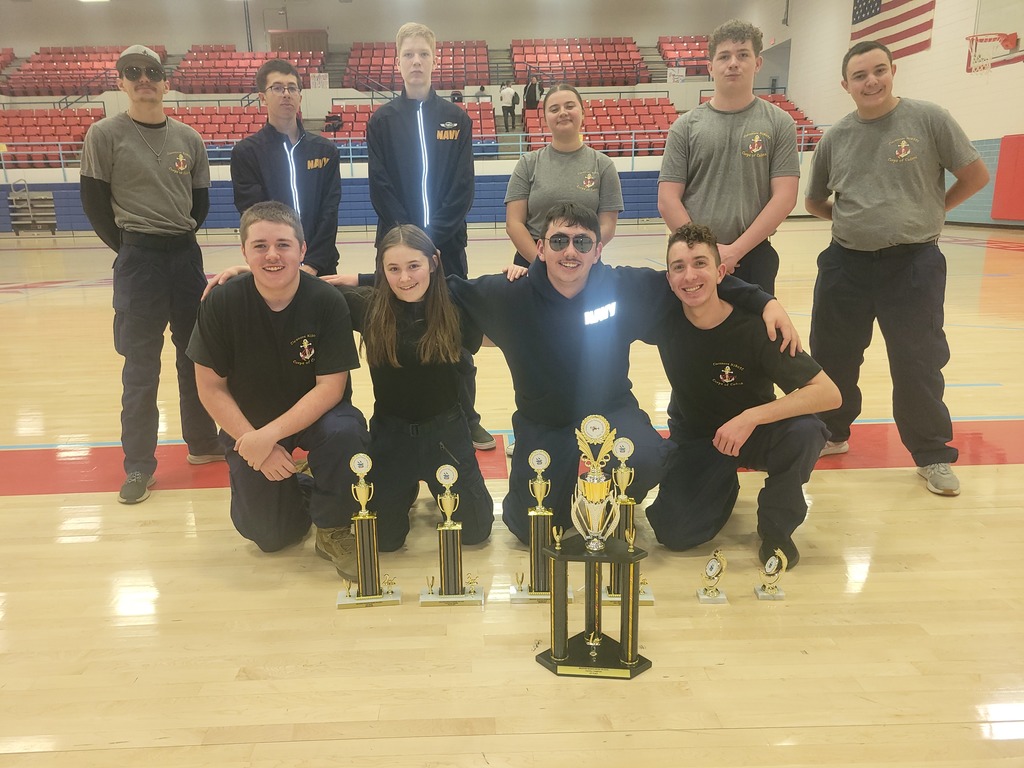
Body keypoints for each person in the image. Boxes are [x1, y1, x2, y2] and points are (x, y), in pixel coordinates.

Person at [446, 202, 797, 545]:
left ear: (598, 251)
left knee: (645, 460)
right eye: (559, 241)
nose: (570, 251)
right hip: (544, 420)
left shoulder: (622, 287)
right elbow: (447, 294)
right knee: (530, 528)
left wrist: (763, 300)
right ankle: (563, 496)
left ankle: (606, 501)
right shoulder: (510, 294)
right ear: (540, 248)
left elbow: (689, 282)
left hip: (611, 411)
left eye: (582, 242)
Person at [805, 40, 989, 497]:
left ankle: (931, 454)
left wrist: (932, 212)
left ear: (893, 71)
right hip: (845, 263)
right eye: (860, 76)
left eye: (879, 71)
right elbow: (814, 201)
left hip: (912, 264)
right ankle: (832, 433)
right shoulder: (836, 136)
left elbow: (976, 176)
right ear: (845, 85)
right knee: (833, 356)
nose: (871, 81)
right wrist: (853, 223)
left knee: (917, 361)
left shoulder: (929, 118)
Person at [187, 202, 369, 578]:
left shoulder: (325, 300)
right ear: (244, 251)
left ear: (302, 250)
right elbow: (210, 388)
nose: (272, 255)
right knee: (271, 537)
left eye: (283, 245)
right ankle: (303, 484)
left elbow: (330, 389)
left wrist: (267, 439)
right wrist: (254, 441)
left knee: (346, 432)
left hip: (317, 417)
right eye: (260, 246)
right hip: (250, 421)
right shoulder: (221, 302)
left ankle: (333, 527)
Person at [645, 224, 839, 567]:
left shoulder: (759, 327)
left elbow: (828, 393)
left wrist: (750, 418)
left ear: (721, 273)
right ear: (669, 278)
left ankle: (777, 529)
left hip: (754, 433)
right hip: (697, 437)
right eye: (679, 267)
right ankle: (722, 483)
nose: (690, 276)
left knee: (805, 431)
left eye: (700, 263)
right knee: (674, 534)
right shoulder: (663, 318)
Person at [80, 44, 222, 505]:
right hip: (138, 260)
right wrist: (132, 247)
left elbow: (200, 204)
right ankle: (139, 464)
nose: (144, 78)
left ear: (165, 82)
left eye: (152, 72)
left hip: (185, 258)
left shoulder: (189, 138)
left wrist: (175, 238)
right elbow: (95, 204)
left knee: (195, 356)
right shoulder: (104, 134)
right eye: (133, 71)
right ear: (121, 81)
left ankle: (202, 442)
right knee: (140, 366)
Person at [366, 22, 495, 451]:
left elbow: (462, 189)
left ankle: (466, 417)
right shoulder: (381, 121)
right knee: (393, 332)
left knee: (455, 334)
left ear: (435, 60)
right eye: (409, 54)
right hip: (395, 252)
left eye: (424, 53)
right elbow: (380, 187)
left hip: (447, 249)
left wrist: (432, 242)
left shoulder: (456, 118)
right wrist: (408, 244)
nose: (416, 61)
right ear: (398, 62)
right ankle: (394, 418)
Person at [335, 225, 499, 550]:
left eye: (414, 266)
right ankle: (403, 484)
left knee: (476, 532)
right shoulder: (367, 306)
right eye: (393, 268)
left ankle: (420, 483)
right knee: (383, 542)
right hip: (391, 435)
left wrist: (519, 274)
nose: (405, 278)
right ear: (381, 271)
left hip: (446, 433)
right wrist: (248, 273)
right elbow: (303, 288)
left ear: (433, 262)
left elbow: (509, 306)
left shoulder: (456, 308)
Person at [657, 19, 799, 294]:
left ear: (758, 63)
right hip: (693, 258)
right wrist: (704, 252)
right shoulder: (685, 127)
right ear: (710, 67)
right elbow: (667, 199)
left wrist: (735, 250)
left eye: (743, 55)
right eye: (724, 56)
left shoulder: (780, 123)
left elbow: (785, 197)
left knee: (756, 324)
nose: (733, 63)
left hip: (754, 255)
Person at [230, 58, 341, 276]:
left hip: (321, 267)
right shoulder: (246, 153)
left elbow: (330, 213)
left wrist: (313, 264)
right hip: (273, 264)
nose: (286, 94)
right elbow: (255, 216)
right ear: (262, 97)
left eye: (292, 88)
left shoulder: (325, 151)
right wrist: (282, 258)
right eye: (278, 88)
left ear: (300, 96)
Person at [505, 83, 623, 268]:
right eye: (554, 109)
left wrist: (579, 255)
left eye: (569, 106)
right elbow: (514, 223)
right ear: (545, 118)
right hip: (533, 262)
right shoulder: (527, 164)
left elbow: (607, 226)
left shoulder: (603, 165)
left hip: (583, 259)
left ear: (583, 113)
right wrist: (543, 264)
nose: (563, 113)